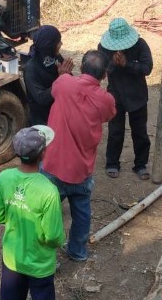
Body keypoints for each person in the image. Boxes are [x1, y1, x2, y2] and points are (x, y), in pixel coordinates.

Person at [0, 125, 65, 300]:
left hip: (12, 256)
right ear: (43, 154)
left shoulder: (4, 177)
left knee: (10, 298)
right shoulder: (48, 190)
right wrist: (54, 242)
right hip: (39, 261)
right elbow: (53, 235)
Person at [41, 50, 116, 262]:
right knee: (82, 213)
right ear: (105, 75)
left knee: (46, 212)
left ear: (81, 67)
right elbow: (109, 115)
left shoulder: (64, 83)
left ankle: (45, 257)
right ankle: (77, 251)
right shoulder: (106, 99)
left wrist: (63, 74)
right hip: (81, 168)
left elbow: (56, 90)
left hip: (53, 165)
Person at [98, 18, 154, 180]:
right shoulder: (103, 47)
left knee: (140, 132)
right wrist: (114, 64)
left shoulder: (140, 45)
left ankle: (140, 164)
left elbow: (147, 68)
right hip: (115, 95)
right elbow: (101, 71)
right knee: (115, 131)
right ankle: (112, 163)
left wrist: (127, 64)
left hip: (137, 95)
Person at [24, 25, 74, 126]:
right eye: (58, 42)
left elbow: (68, 79)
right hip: (42, 121)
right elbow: (41, 99)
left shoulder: (54, 56)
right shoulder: (31, 69)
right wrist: (61, 79)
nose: (61, 44)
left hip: (59, 112)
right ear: (50, 46)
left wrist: (67, 75)